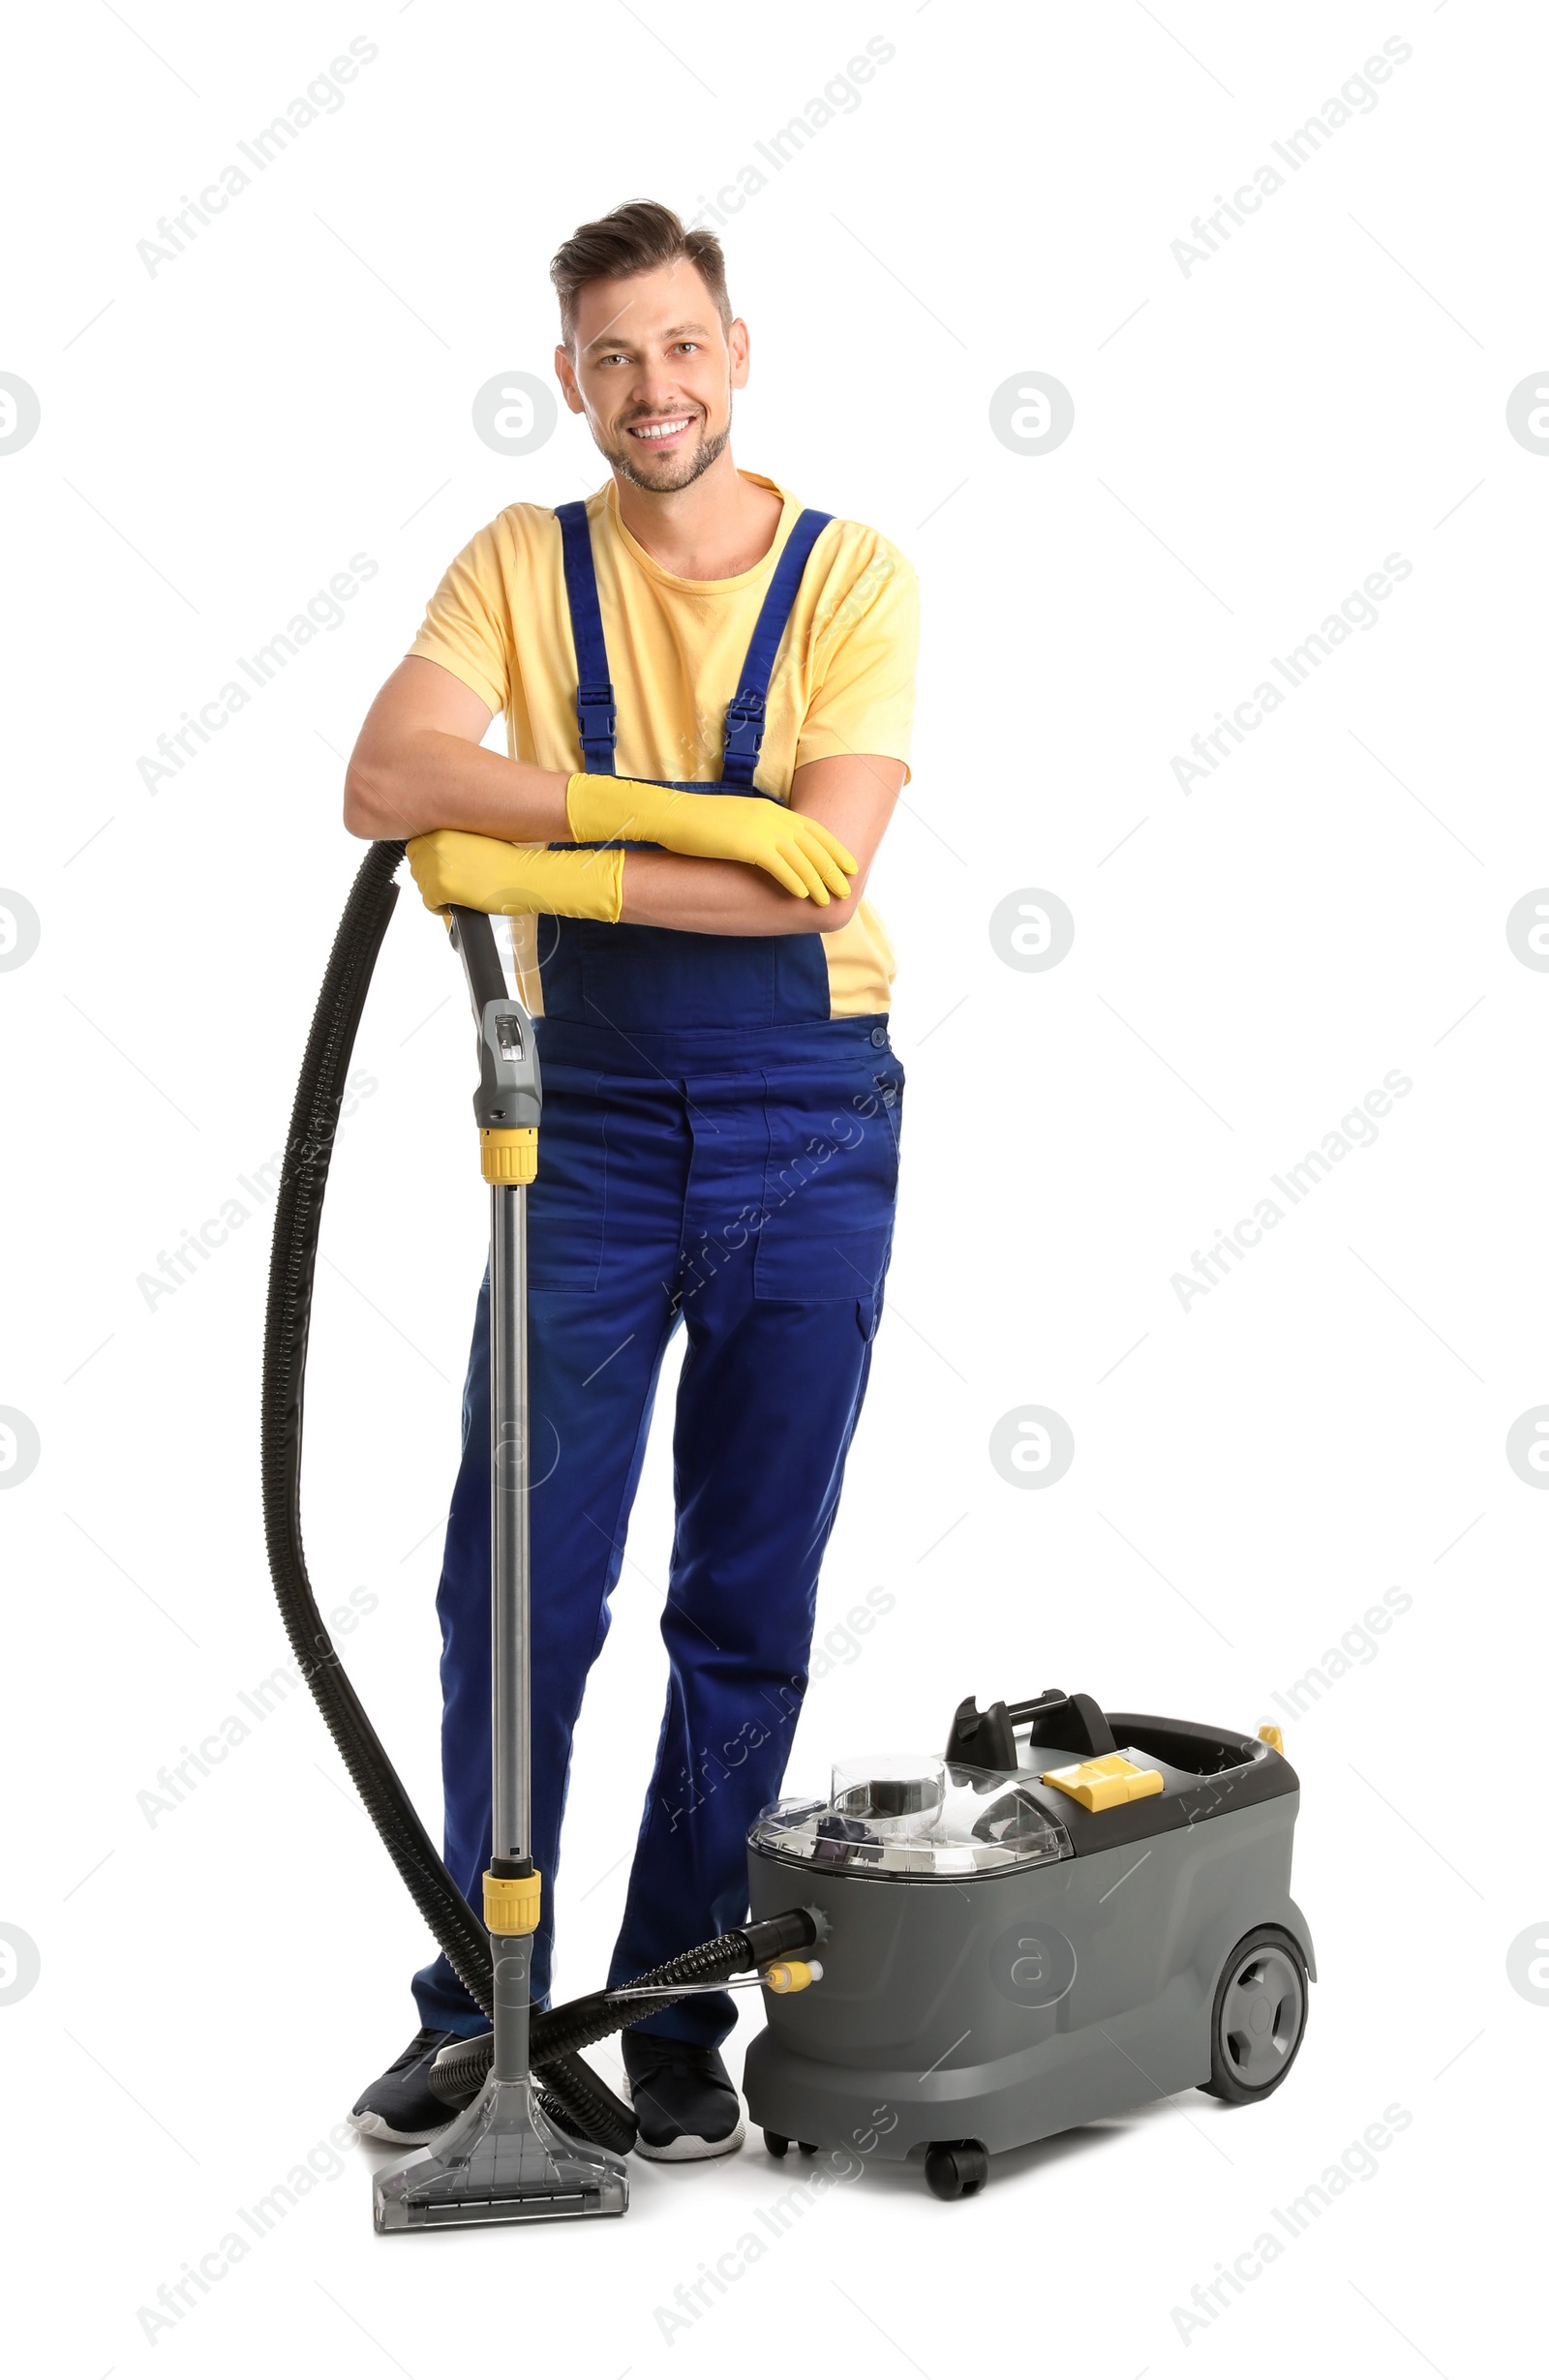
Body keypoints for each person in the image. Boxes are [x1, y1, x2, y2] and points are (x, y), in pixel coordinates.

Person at [343, 199, 919, 2159]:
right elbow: (387, 781)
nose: (649, 390)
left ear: (735, 354)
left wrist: (534, 859)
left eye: (679, 348)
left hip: (806, 1124)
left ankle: (672, 2020)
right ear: (568, 373)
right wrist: (688, 828)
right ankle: (483, 2007)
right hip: (577, 1127)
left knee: (738, 1603)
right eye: (610, 356)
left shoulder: (855, 580)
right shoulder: (520, 563)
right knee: (510, 1589)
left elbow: (820, 873)